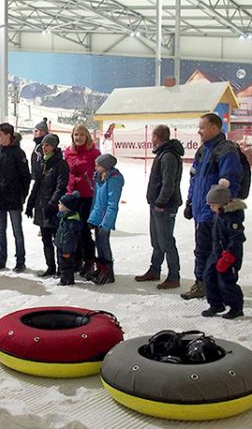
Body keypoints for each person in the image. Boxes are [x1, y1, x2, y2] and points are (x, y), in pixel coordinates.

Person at [181, 113, 243, 300]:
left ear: (215, 128)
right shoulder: (203, 151)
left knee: (219, 252)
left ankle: (221, 287)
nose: (198, 131)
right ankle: (202, 284)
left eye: (202, 127)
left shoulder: (226, 151)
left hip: (216, 213)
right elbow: (194, 179)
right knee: (201, 250)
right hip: (201, 211)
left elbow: (229, 182)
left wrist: (221, 210)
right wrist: (190, 201)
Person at [135, 125, 184, 289]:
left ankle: (173, 276)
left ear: (156, 137)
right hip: (157, 204)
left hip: (165, 206)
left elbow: (168, 183)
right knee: (156, 240)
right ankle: (154, 269)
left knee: (166, 241)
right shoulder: (163, 154)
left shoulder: (168, 156)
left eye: (152, 136)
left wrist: (161, 202)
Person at [25, 133, 68, 277]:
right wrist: (30, 203)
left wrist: (52, 204)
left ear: (54, 147)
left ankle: (61, 268)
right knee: (45, 239)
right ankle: (50, 266)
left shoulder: (60, 164)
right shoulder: (42, 163)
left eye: (47, 145)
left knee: (58, 240)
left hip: (53, 207)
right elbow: (36, 185)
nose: (44, 147)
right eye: (43, 145)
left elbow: (60, 187)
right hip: (41, 205)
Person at [0, 122, 31, 272]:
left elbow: (25, 176)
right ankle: (1, 259)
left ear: (9, 135)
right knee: (0, 231)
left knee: (17, 231)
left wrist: (22, 195)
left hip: (14, 197)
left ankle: (20, 260)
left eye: (0, 134)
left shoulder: (18, 153)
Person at [201, 185, 246, 320]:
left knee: (226, 282)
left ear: (222, 204)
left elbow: (237, 238)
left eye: (213, 205)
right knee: (208, 277)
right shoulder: (219, 216)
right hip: (216, 254)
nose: (211, 208)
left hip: (229, 256)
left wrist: (228, 257)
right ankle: (216, 304)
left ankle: (236, 307)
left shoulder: (231, 218)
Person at [63, 123, 101, 278]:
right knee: (72, 230)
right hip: (72, 195)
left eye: (81, 135)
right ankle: (76, 260)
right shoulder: (68, 152)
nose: (78, 138)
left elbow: (99, 174)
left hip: (87, 195)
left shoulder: (94, 153)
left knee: (84, 230)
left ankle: (89, 261)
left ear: (87, 136)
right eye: (76, 135)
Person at [87, 154, 124, 285]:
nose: (95, 167)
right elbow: (97, 201)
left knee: (104, 244)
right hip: (98, 217)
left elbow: (112, 204)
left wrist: (106, 222)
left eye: (98, 165)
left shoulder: (114, 180)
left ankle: (108, 272)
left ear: (106, 167)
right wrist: (92, 219)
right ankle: (101, 268)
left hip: (105, 219)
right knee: (99, 244)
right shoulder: (99, 178)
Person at [55, 191, 83, 286]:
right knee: (63, 264)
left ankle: (66, 280)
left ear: (67, 208)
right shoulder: (65, 217)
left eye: (61, 204)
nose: (58, 205)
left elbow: (69, 239)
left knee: (66, 266)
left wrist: (66, 251)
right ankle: (65, 278)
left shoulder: (70, 223)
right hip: (61, 246)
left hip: (66, 249)